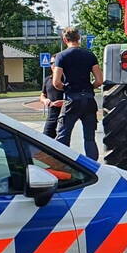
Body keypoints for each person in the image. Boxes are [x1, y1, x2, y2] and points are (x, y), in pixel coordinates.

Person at [52, 27, 103, 160]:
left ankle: (63, 164)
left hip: (72, 100)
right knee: (90, 138)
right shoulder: (90, 55)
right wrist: (89, 87)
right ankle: (93, 167)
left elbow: (56, 82)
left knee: (63, 136)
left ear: (65, 39)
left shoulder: (61, 56)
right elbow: (99, 80)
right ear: (79, 38)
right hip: (89, 100)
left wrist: (67, 88)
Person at [38, 73, 65, 138]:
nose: (54, 67)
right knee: (46, 138)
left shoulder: (68, 78)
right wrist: (45, 100)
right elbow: (42, 95)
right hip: (51, 116)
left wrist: (64, 102)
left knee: (62, 139)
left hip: (65, 116)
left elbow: (76, 96)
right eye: (51, 64)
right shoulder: (48, 79)